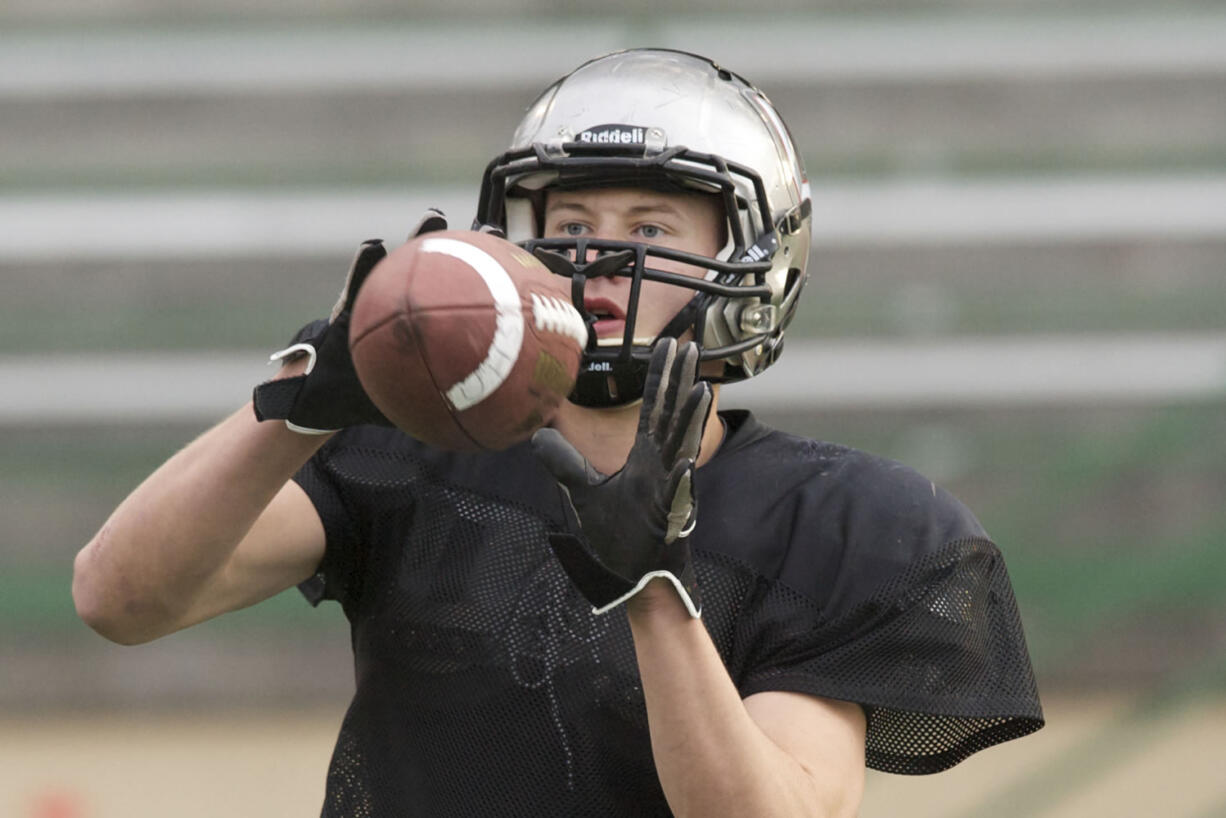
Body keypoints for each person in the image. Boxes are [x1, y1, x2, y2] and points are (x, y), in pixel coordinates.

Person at [73, 49, 1043, 817]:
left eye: (652, 229)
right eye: (567, 218)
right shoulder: (426, 453)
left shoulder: (824, 522)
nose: (595, 255)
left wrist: (651, 585)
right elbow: (119, 596)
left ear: (749, 259)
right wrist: (296, 410)